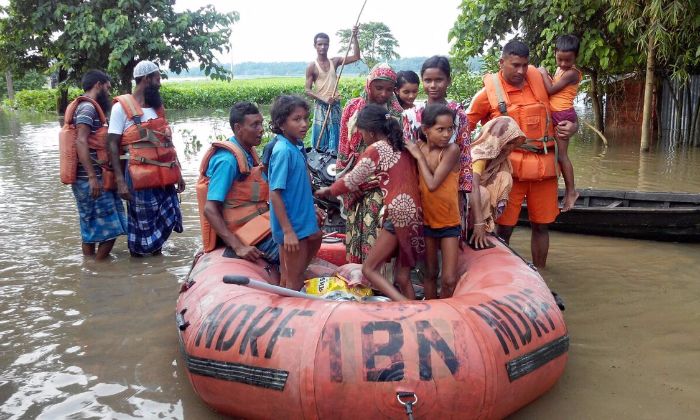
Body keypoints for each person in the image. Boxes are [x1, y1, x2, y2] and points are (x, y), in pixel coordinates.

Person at [467, 40, 578, 268]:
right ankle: (500, 273)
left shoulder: (541, 81)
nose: (520, 71)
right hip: (510, 171)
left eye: (525, 65)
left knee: (542, 226)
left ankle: (542, 276)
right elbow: (462, 129)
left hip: (545, 167)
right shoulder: (487, 92)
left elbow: (564, 108)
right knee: (504, 227)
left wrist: (573, 127)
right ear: (502, 62)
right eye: (515, 65)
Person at [316, 104, 424, 301]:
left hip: (398, 212)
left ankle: (405, 306)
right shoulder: (401, 143)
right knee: (402, 276)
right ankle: (415, 310)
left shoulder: (376, 148)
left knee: (369, 268)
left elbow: (352, 179)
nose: (362, 137)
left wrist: (328, 191)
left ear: (371, 132)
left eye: (362, 132)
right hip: (414, 212)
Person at [107, 60, 185, 257]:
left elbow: (167, 145)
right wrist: (119, 181)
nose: (160, 83)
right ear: (145, 79)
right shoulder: (121, 109)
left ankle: (155, 260)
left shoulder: (157, 108)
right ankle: (141, 266)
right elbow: (112, 145)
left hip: (164, 177)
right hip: (138, 176)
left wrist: (179, 174)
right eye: (157, 79)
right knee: (142, 225)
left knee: (171, 213)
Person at [196, 101, 279, 268]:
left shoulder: (248, 152)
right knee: (294, 246)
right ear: (238, 128)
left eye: (261, 123)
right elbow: (210, 209)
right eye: (254, 125)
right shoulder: (227, 161)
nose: (261, 129)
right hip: (243, 233)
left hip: (257, 224)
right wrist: (239, 247)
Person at [336, 62, 404, 264]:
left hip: (381, 184)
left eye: (389, 89)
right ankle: (356, 278)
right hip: (355, 181)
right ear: (369, 85)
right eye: (378, 87)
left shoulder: (397, 114)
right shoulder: (352, 108)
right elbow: (343, 147)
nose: (383, 93)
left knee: (377, 231)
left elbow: (398, 151)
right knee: (355, 227)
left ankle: (377, 283)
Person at [403, 56, 472, 240]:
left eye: (439, 80)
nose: (433, 85)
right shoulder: (411, 115)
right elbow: (408, 154)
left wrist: (462, 191)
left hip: (449, 190)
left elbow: (465, 154)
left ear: (448, 80)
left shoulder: (458, 113)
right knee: (423, 245)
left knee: (450, 239)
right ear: (422, 81)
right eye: (428, 80)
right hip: (420, 189)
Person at [63, 70, 127, 260]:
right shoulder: (88, 109)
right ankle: (98, 267)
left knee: (89, 227)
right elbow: (81, 141)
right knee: (112, 229)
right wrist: (93, 177)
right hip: (92, 179)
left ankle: (89, 268)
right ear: (98, 84)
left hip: (85, 180)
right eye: (107, 87)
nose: (108, 91)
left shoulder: (83, 107)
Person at [267, 95, 322, 290]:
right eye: (297, 119)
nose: (304, 124)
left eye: (306, 118)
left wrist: (312, 206)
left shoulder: (296, 146)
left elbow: (300, 186)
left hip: (301, 219)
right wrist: (288, 231)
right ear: (281, 124)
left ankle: (290, 280)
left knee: (316, 237)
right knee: (293, 280)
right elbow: (275, 194)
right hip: (293, 226)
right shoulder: (283, 151)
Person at [405, 104, 460, 299]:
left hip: (449, 222)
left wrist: (419, 156)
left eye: (450, 128)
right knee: (429, 273)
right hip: (426, 221)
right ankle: (431, 312)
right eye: (441, 129)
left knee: (449, 279)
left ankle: (447, 313)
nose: (447, 134)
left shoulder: (452, 150)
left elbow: (432, 184)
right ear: (426, 130)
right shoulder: (418, 146)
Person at [537, 34, 582, 212]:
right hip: (558, 114)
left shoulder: (572, 73)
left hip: (563, 116)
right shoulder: (560, 70)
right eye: (560, 59)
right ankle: (554, 192)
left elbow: (550, 90)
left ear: (575, 58)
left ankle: (571, 192)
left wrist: (541, 73)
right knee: (554, 155)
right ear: (555, 53)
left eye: (568, 60)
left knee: (562, 156)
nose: (563, 63)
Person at [468, 116, 525, 249]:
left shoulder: (499, 156)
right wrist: (478, 223)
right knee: (482, 193)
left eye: (513, 143)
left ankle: (487, 225)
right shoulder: (479, 155)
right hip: (465, 197)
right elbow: (472, 186)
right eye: (508, 142)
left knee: (505, 177)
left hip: (479, 195)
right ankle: (473, 231)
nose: (510, 148)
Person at [305, 27, 361, 152]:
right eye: (320, 44)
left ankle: (336, 160)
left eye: (325, 44)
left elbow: (356, 56)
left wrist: (355, 37)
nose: (323, 47)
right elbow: (307, 90)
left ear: (328, 46)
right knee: (320, 137)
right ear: (315, 46)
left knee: (337, 135)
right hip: (321, 105)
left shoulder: (334, 62)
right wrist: (324, 99)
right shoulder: (312, 66)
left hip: (334, 105)